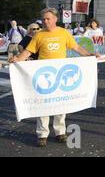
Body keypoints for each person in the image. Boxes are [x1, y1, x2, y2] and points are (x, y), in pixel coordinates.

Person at [9, 8, 99, 147]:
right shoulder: (39, 35)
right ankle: (42, 134)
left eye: (48, 18)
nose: (45, 21)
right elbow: (28, 51)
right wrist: (17, 59)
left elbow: (76, 48)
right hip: (44, 75)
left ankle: (60, 132)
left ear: (56, 19)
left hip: (60, 74)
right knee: (43, 105)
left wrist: (90, 55)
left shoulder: (64, 33)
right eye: (43, 19)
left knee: (60, 104)